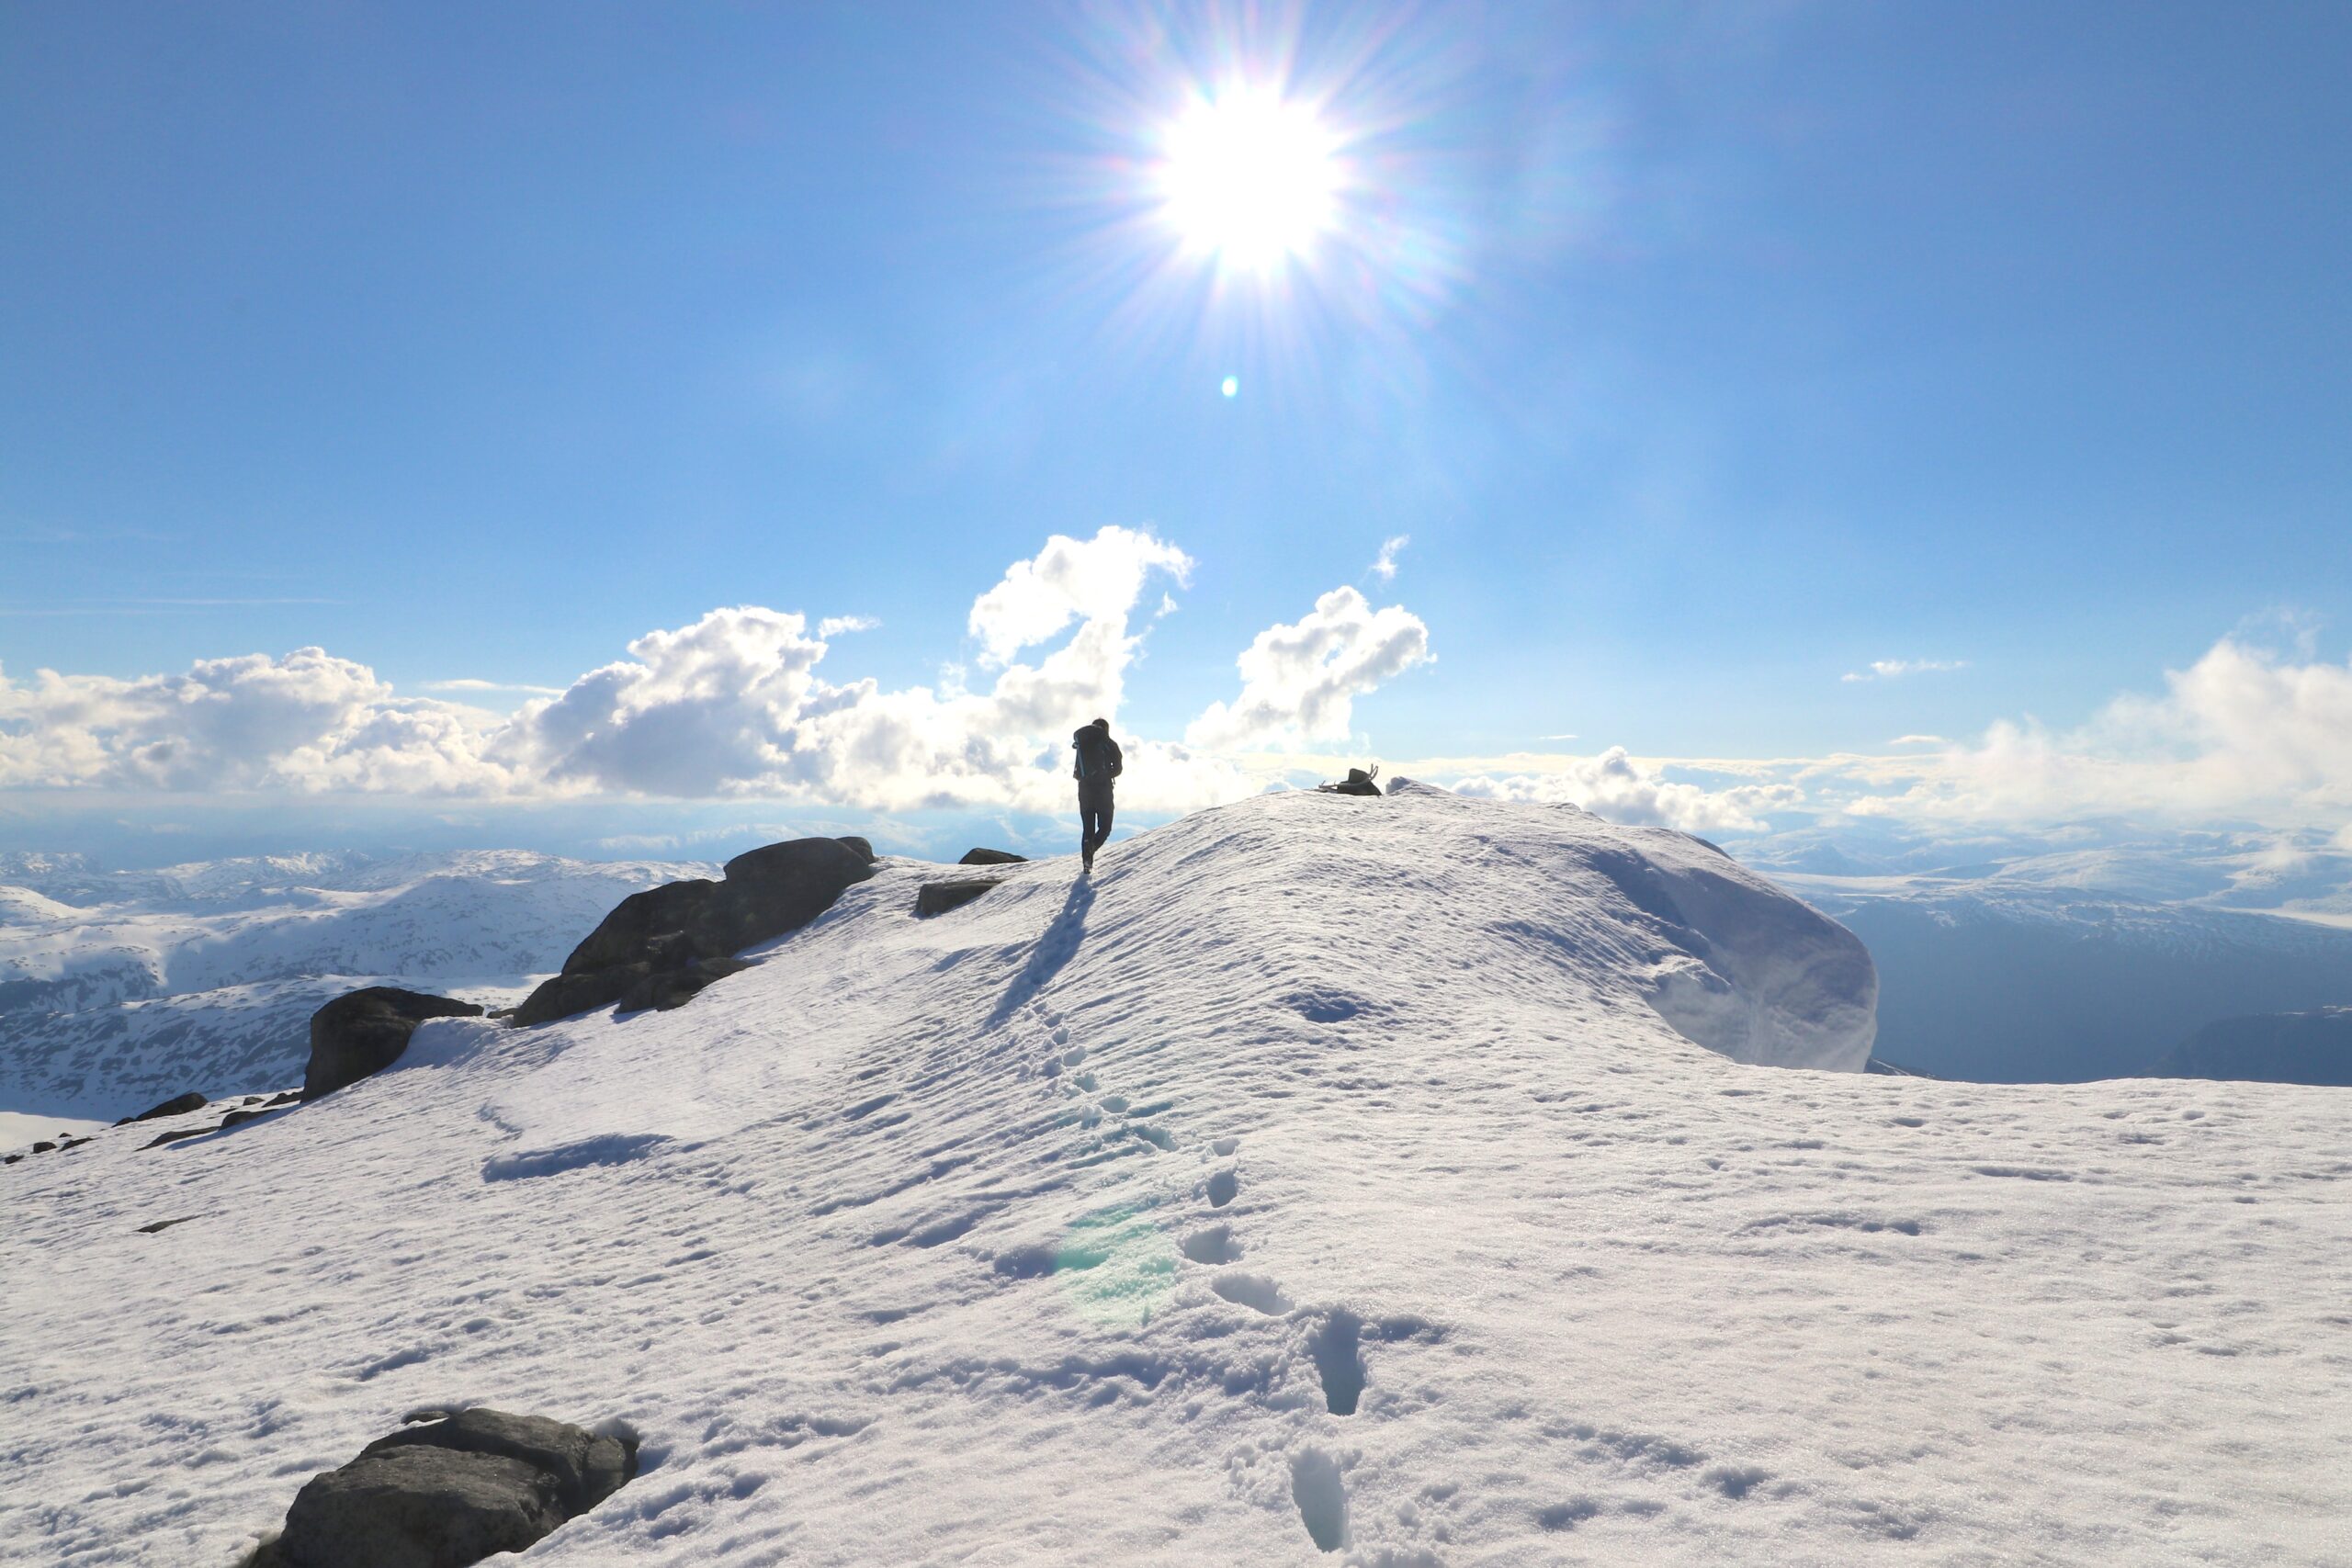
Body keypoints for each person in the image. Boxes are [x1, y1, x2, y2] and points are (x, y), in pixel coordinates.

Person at [1071, 716, 1123, 873]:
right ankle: (1092, 848)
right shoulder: (1109, 743)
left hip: (1084, 791)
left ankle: (1087, 864)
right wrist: (1105, 775)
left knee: (1088, 828)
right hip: (1103, 790)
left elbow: (1077, 773)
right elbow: (1118, 768)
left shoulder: (1081, 746)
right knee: (1105, 827)